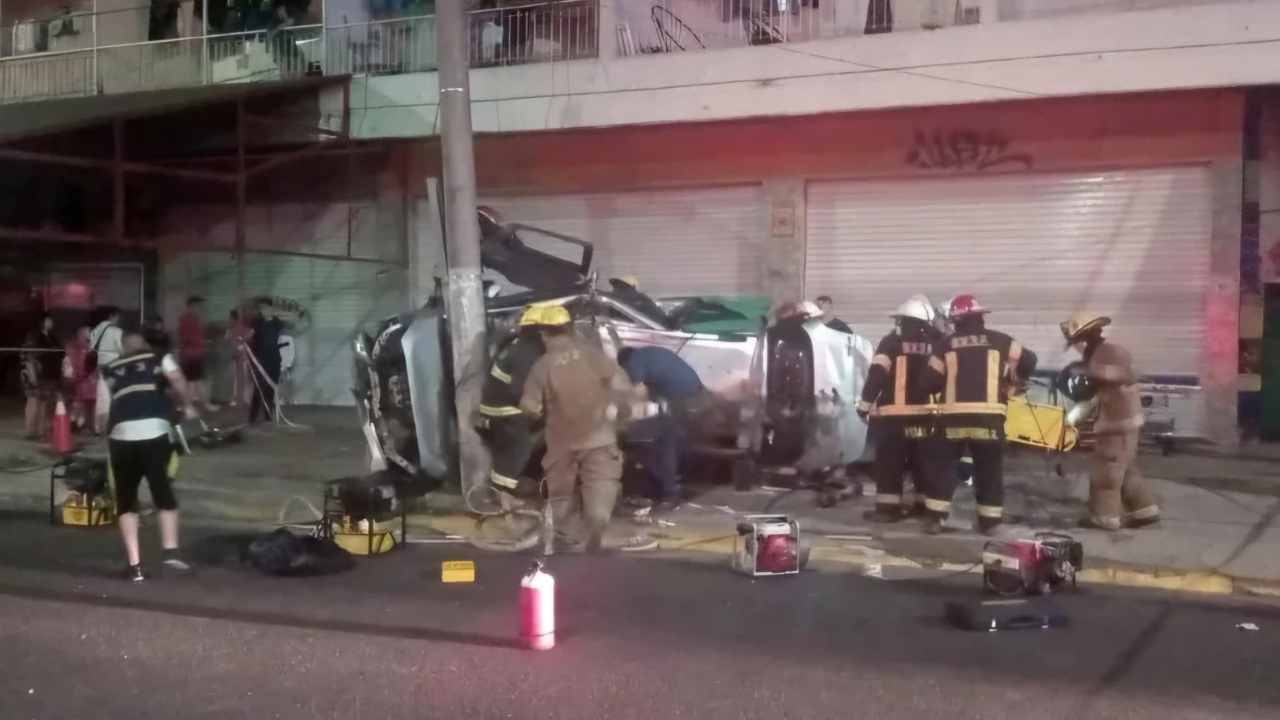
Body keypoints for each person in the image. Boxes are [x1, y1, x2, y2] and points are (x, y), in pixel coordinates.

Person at [519, 305, 645, 553]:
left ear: (544, 334)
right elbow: (622, 386)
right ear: (570, 329)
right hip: (600, 437)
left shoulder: (542, 366)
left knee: (561, 490)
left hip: (562, 441)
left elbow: (529, 408)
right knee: (602, 480)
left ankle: (566, 531)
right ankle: (597, 520)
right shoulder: (593, 355)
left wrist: (535, 414)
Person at [920, 294, 1037, 535]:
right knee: (989, 469)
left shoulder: (945, 345)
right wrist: (1012, 382)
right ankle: (990, 522)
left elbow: (929, 383)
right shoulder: (1002, 341)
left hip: (953, 418)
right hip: (990, 417)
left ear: (956, 320)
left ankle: (935, 519)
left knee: (944, 467)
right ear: (980, 317)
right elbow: (1029, 359)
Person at [101, 332, 198, 581]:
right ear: (144, 345)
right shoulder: (160, 358)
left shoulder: (109, 369)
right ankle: (171, 552)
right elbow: (177, 378)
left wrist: (105, 433)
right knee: (163, 490)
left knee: (126, 500)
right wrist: (187, 405)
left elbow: (101, 410)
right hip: (155, 433)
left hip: (121, 437)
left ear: (121, 349)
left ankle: (135, 566)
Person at [1061, 312, 1160, 530]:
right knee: (1125, 468)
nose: (1078, 347)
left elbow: (1120, 375)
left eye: (1078, 341)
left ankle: (1105, 517)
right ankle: (1143, 509)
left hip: (1117, 423)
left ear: (1086, 337)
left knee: (1105, 470)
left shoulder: (1108, 354)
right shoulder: (1102, 353)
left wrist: (1089, 374)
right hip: (1124, 423)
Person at [857, 297, 946, 523]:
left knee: (890, 463)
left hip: (893, 417)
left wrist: (864, 406)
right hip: (927, 415)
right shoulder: (939, 341)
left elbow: (877, 373)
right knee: (923, 462)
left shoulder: (891, 342)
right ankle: (923, 506)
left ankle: (888, 510)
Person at [616, 345, 709, 510]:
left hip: (680, 396)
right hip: (694, 392)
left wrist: (626, 413)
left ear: (623, 364)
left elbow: (638, 393)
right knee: (666, 439)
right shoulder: (648, 354)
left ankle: (669, 493)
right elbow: (653, 389)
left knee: (665, 443)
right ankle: (666, 485)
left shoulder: (633, 361)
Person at [476, 308, 546, 499]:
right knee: (519, 447)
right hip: (504, 410)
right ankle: (501, 490)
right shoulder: (527, 352)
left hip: (497, 405)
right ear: (539, 330)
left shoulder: (518, 345)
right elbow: (522, 390)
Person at [21, 314, 63, 440]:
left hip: (50, 374)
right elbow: (29, 355)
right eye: (48, 319)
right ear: (42, 321)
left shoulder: (52, 337)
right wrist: (32, 371)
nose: (51, 322)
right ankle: (31, 429)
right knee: (33, 401)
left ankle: (41, 430)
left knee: (46, 402)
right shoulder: (33, 336)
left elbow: (59, 352)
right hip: (35, 373)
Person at [177, 296, 219, 412]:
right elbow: (188, 338)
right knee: (197, 380)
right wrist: (202, 342)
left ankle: (187, 405)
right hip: (192, 355)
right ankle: (205, 404)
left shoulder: (192, 319)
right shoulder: (188, 320)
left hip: (192, 354)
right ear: (192, 306)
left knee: (190, 381)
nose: (202, 308)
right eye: (199, 306)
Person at [248, 299, 285, 424]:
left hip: (274, 359)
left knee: (271, 388)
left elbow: (292, 322)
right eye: (260, 308)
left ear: (270, 308)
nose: (262, 311)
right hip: (260, 360)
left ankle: (268, 413)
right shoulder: (257, 322)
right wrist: (243, 339)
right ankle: (253, 416)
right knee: (259, 387)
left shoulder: (277, 323)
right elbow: (250, 333)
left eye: (264, 308)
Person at [91, 307, 125, 436]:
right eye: (117, 316)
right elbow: (121, 350)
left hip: (100, 367)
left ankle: (99, 427)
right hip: (114, 367)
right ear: (111, 316)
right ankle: (111, 426)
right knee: (115, 398)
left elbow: (92, 347)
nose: (118, 319)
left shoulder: (96, 330)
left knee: (102, 398)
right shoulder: (117, 331)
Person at [62, 326, 98, 433]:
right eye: (88, 331)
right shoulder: (77, 347)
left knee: (86, 402)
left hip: (86, 377)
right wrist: (85, 373)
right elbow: (77, 363)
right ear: (81, 333)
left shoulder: (85, 346)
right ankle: (76, 423)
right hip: (81, 378)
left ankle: (82, 423)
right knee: (81, 401)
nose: (90, 333)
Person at [225, 309, 253, 407]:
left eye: (230, 318)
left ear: (234, 318)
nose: (228, 320)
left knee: (242, 378)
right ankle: (238, 399)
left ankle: (243, 399)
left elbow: (251, 333)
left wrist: (242, 339)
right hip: (235, 357)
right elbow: (227, 339)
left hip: (242, 357)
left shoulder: (239, 327)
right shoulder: (230, 329)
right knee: (236, 378)